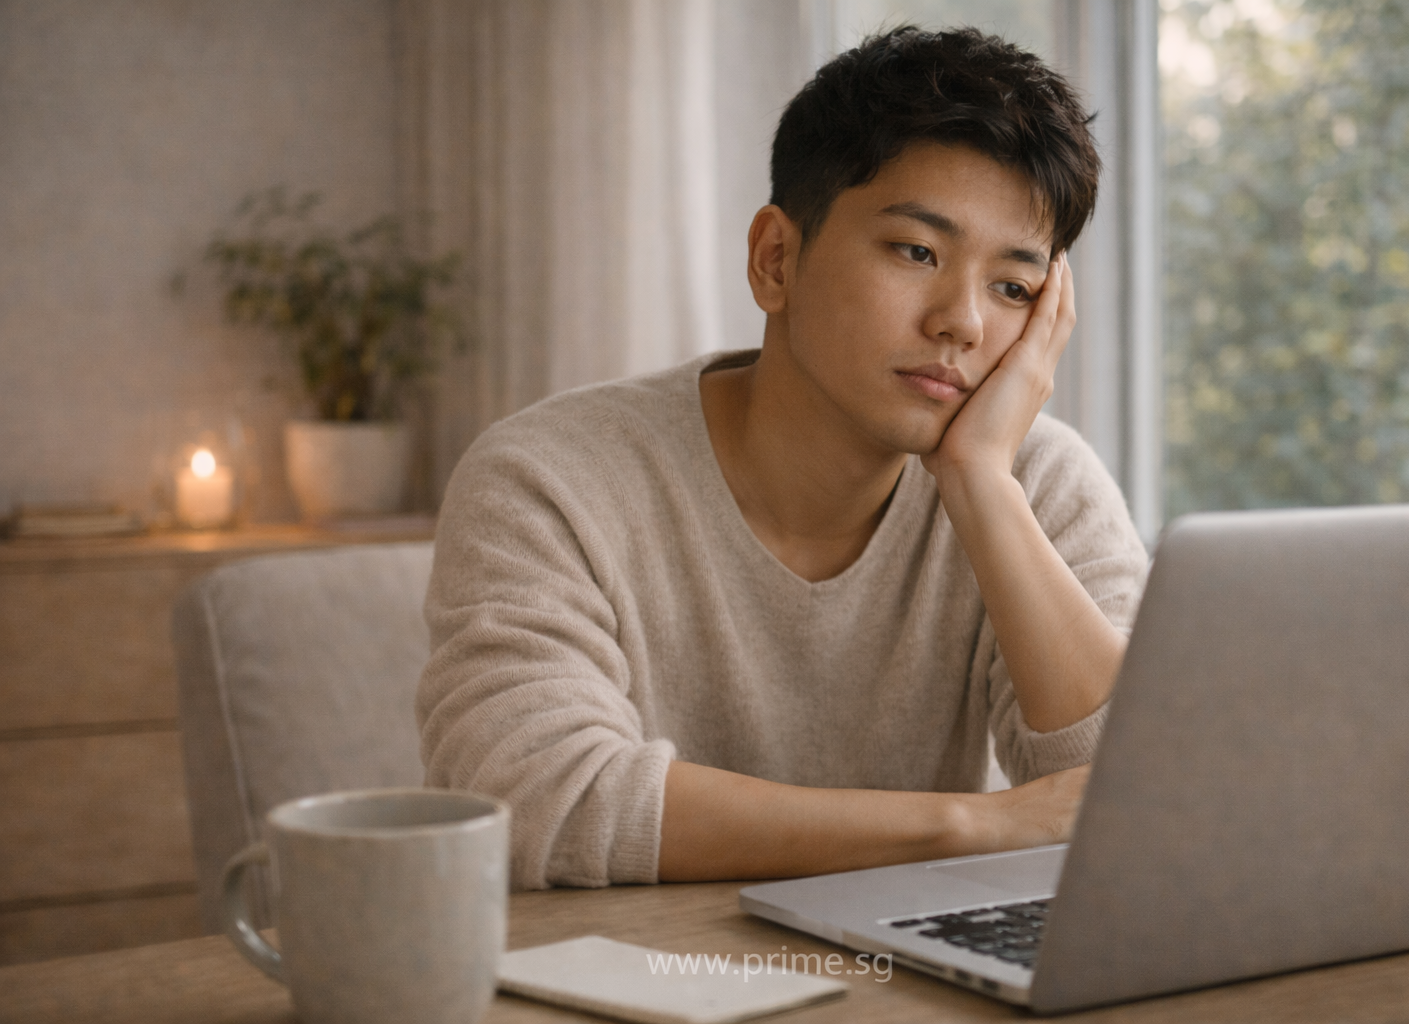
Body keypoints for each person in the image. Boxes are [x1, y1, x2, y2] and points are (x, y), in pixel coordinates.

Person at [417, 25, 1147, 890]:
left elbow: (1136, 801)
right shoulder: (548, 479)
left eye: (1014, 287)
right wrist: (971, 824)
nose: (964, 322)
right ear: (775, 260)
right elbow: (537, 800)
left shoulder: (1036, 482)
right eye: (917, 251)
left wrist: (982, 487)